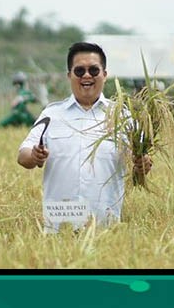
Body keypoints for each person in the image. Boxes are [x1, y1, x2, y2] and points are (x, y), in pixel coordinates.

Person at [17, 42, 150, 231]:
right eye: (79, 71)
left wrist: (142, 165)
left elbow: (139, 166)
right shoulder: (52, 115)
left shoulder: (123, 117)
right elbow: (23, 155)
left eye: (94, 70)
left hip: (105, 227)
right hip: (59, 226)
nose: (87, 76)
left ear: (104, 74)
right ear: (69, 75)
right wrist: (34, 156)